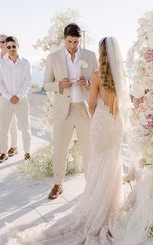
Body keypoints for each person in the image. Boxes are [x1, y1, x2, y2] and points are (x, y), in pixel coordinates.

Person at [0, 37, 153, 245]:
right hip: (117, 123)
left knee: (99, 161)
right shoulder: (123, 77)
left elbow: (91, 104)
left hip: (101, 122)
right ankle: (111, 205)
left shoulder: (98, 75)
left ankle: (96, 206)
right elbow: (125, 104)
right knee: (113, 162)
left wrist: (98, 112)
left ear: (102, 54)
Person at [44, 23, 98, 199]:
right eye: (70, 41)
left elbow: (99, 81)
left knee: (88, 149)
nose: (73, 46)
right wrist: (59, 84)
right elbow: (46, 84)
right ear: (64, 39)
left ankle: (90, 186)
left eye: (76, 42)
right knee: (60, 148)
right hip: (63, 111)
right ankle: (58, 184)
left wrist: (88, 83)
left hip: (83, 108)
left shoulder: (90, 56)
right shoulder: (53, 57)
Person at [0, 36, 31, 163]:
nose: (11, 49)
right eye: (8, 46)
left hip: (22, 100)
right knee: (3, 128)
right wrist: (10, 96)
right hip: (7, 100)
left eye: (13, 46)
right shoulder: (1, 63)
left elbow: (28, 82)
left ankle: (27, 152)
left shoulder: (25, 62)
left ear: (18, 45)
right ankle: (4, 153)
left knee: (25, 128)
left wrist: (18, 96)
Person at [0, 34, 18, 157]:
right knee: (1, 122)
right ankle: (3, 146)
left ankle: (13, 146)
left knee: (12, 122)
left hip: (9, 95)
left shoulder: (13, 58)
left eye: (3, 41)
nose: (1, 43)